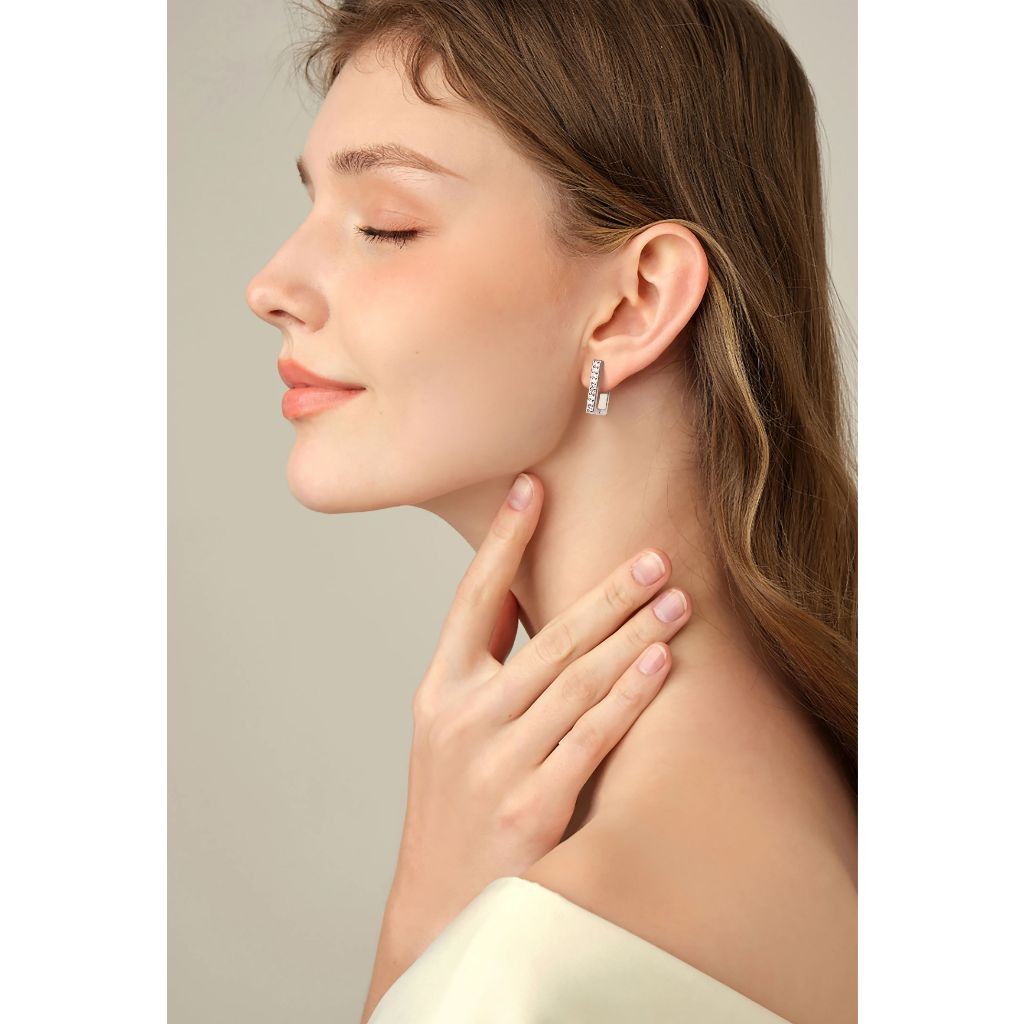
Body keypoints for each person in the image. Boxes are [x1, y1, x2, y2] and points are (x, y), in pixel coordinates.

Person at [245, 1, 857, 1021]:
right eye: (313, 208)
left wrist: (419, 938)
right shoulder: (827, 793)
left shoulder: (532, 966)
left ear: (634, 303)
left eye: (385, 224)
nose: (270, 286)